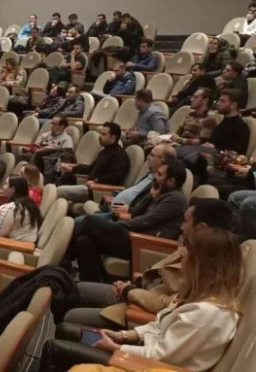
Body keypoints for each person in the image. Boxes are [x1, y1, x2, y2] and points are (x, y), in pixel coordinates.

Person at [41, 225, 242, 372]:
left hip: (142, 363)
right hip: (139, 348)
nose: (183, 260)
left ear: (202, 266)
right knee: (66, 330)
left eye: (187, 256)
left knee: (54, 349)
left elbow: (161, 356)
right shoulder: (198, 298)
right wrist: (124, 335)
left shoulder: (207, 314)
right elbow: (159, 326)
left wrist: (118, 347)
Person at [65, 198, 235, 330]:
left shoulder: (206, 266)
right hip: (138, 293)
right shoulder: (190, 247)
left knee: (70, 316)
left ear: (201, 228)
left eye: (185, 221)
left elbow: (169, 304)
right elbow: (156, 275)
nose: (181, 227)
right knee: (71, 283)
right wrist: (134, 284)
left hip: (140, 311)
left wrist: (129, 291)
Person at [74, 158, 189, 283]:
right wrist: (151, 196)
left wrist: (120, 224)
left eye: (160, 174)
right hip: (135, 235)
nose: (155, 176)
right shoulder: (161, 191)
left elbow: (145, 220)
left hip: (142, 243)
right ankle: (91, 285)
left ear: (171, 181)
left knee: (90, 222)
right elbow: (136, 212)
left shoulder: (175, 199)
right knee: (84, 241)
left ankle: (64, 257)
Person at [79, 144, 176, 222]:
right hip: (113, 210)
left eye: (152, 155)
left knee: (82, 223)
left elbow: (144, 210)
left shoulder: (161, 184)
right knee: (79, 223)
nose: (147, 158)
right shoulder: (150, 174)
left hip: (122, 217)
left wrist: (129, 210)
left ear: (163, 160)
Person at [57, 122, 131, 203]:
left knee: (60, 191)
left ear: (113, 137)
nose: (100, 136)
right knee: (65, 178)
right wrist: (72, 169)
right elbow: (90, 168)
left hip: (99, 191)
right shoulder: (104, 152)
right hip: (91, 185)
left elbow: (117, 178)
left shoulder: (120, 155)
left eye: (103, 134)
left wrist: (97, 181)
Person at [205, 89, 250, 156]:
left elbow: (237, 154)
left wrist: (214, 149)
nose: (217, 103)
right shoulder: (221, 124)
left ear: (233, 105)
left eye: (222, 101)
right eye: (219, 100)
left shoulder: (242, 128)